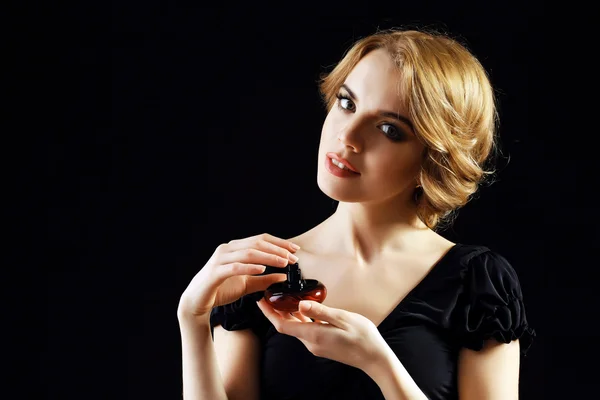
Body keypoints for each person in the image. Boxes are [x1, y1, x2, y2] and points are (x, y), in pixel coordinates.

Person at [177, 27, 535, 400]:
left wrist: (380, 364)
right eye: (347, 103)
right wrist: (193, 321)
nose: (347, 136)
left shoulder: (478, 285)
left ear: (434, 157)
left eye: (388, 129)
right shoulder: (262, 273)